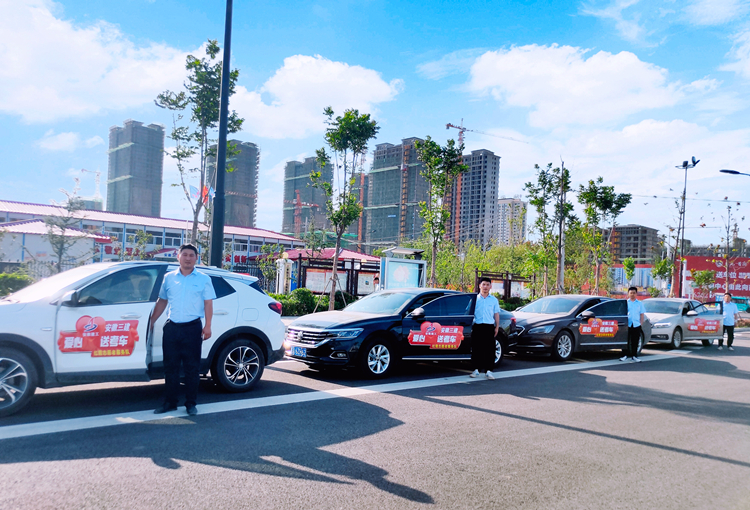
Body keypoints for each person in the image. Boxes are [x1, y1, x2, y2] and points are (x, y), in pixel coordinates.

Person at [151, 244, 216, 416]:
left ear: (196, 258)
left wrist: (208, 325)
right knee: (170, 367)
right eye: (184, 254)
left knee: (192, 368)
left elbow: (208, 303)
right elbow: (162, 300)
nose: (188, 258)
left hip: (192, 328)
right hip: (172, 328)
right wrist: (151, 321)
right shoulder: (169, 278)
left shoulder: (203, 279)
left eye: (191, 255)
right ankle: (170, 402)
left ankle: (191, 404)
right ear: (178, 256)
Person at [471, 277, 500, 380]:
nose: (485, 287)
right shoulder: (475, 299)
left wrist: (497, 327)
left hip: (489, 326)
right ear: (479, 286)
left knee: (489, 350)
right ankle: (476, 370)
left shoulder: (494, 300)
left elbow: (496, 313)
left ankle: (489, 371)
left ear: (490, 287)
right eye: (483, 284)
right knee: (476, 349)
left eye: (487, 285)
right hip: (477, 326)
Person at [620, 286, 645, 363]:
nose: (632, 294)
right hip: (627, 324)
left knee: (635, 341)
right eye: (631, 293)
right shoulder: (626, 303)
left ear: (636, 294)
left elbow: (642, 314)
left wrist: (641, 323)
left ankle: (634, 356)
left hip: (636, 324)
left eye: (634, 293)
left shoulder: (639, 303)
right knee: (626, 340)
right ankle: (625, 355)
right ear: (628, 294)